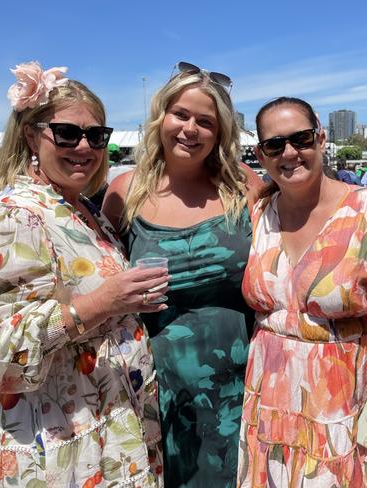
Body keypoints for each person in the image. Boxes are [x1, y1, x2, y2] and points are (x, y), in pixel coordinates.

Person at [0, 61, 167, 487]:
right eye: (67, 133)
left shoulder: (82, 209)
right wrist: (104, 302)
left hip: (104, 422)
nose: (84, 146)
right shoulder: (14, 217)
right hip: (54, 442)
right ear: (31, 135)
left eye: (96, 135)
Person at [238, 96, 367, 486]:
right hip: (268, 393)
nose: (289, 152)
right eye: (275, 145)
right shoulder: (259, 215)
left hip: (343, 397)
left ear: (320, 139)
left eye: (300, 139)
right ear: (260, 154)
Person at [103, 61, 262, 487]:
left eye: (205, 121)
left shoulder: (243, 186)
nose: (191, 129)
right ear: (161, 118)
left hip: (244, 382)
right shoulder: (124, 192)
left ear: (221, 132)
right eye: (181, 115)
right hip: (155, 384)